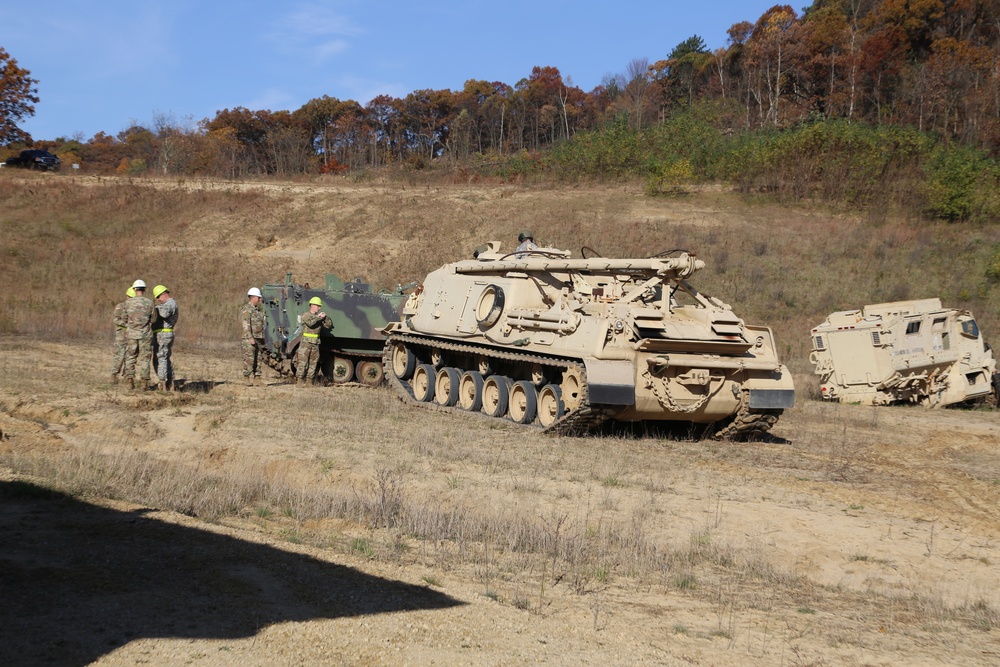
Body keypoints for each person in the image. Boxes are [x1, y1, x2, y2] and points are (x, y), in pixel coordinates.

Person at [122, 279, 155, 390]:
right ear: (144, 289)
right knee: (145, 359)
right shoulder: (150, 303)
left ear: (134, 289)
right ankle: (144, 383)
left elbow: (124, 318)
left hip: (131, 334)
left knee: (130, 357)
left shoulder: (127, 303)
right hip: (145, 335)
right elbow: (154, 319)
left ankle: (130, 381)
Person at [296, 296, 333, 385]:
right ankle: (300, 380)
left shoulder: (319, 318)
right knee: (303, 362)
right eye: (318, 306)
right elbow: (310, 323)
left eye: (319, 306)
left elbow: (329, 325)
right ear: (312, 305)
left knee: (313, 363)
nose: (319, 308)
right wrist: (318, 317)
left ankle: (309, 381)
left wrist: (325, 317)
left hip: (315, 343)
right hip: (306, 343)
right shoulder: (306, 315)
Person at [152, 285, 178, 391]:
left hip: (164, 334)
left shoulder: (170, 303)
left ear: (163, 294)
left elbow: (164, 313)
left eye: (158, 297)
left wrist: (154, 309)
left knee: (161, 358)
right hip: (163, 334)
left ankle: (162, 383)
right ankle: (170, 382)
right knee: (164, 358)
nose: (157, 300)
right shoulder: (169, 303)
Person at [240, 287, 267, 386]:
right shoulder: (247, 309)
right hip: (249, 339)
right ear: (253, 298)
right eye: (258, 298)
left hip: (259, 338)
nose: (259, 300)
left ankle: (257, 378)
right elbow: (246, 325)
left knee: (258, 358)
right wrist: (250, 338)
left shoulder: (257, 310)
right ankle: (246, 378)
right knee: (249, 358)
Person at [111, 286, 135, 383]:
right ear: (127, 296)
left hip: (132, 335)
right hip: (121, 334)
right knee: (119, 355)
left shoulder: (135, 308)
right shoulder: (120, 306)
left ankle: (127, 376)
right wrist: (127, 325)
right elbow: (116, 319)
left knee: (130, 356)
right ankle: (114, 375)